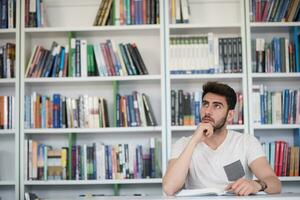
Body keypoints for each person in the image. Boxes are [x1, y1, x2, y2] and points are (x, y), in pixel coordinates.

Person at [162, 81, 281, 196]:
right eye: (205, 104)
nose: (208, 111)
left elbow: (274, 183)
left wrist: (257, 185)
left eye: (217, 106)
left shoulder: (246, 142)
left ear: (230, 115)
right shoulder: (183, 144)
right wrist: (194, 141)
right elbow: (169, 188)